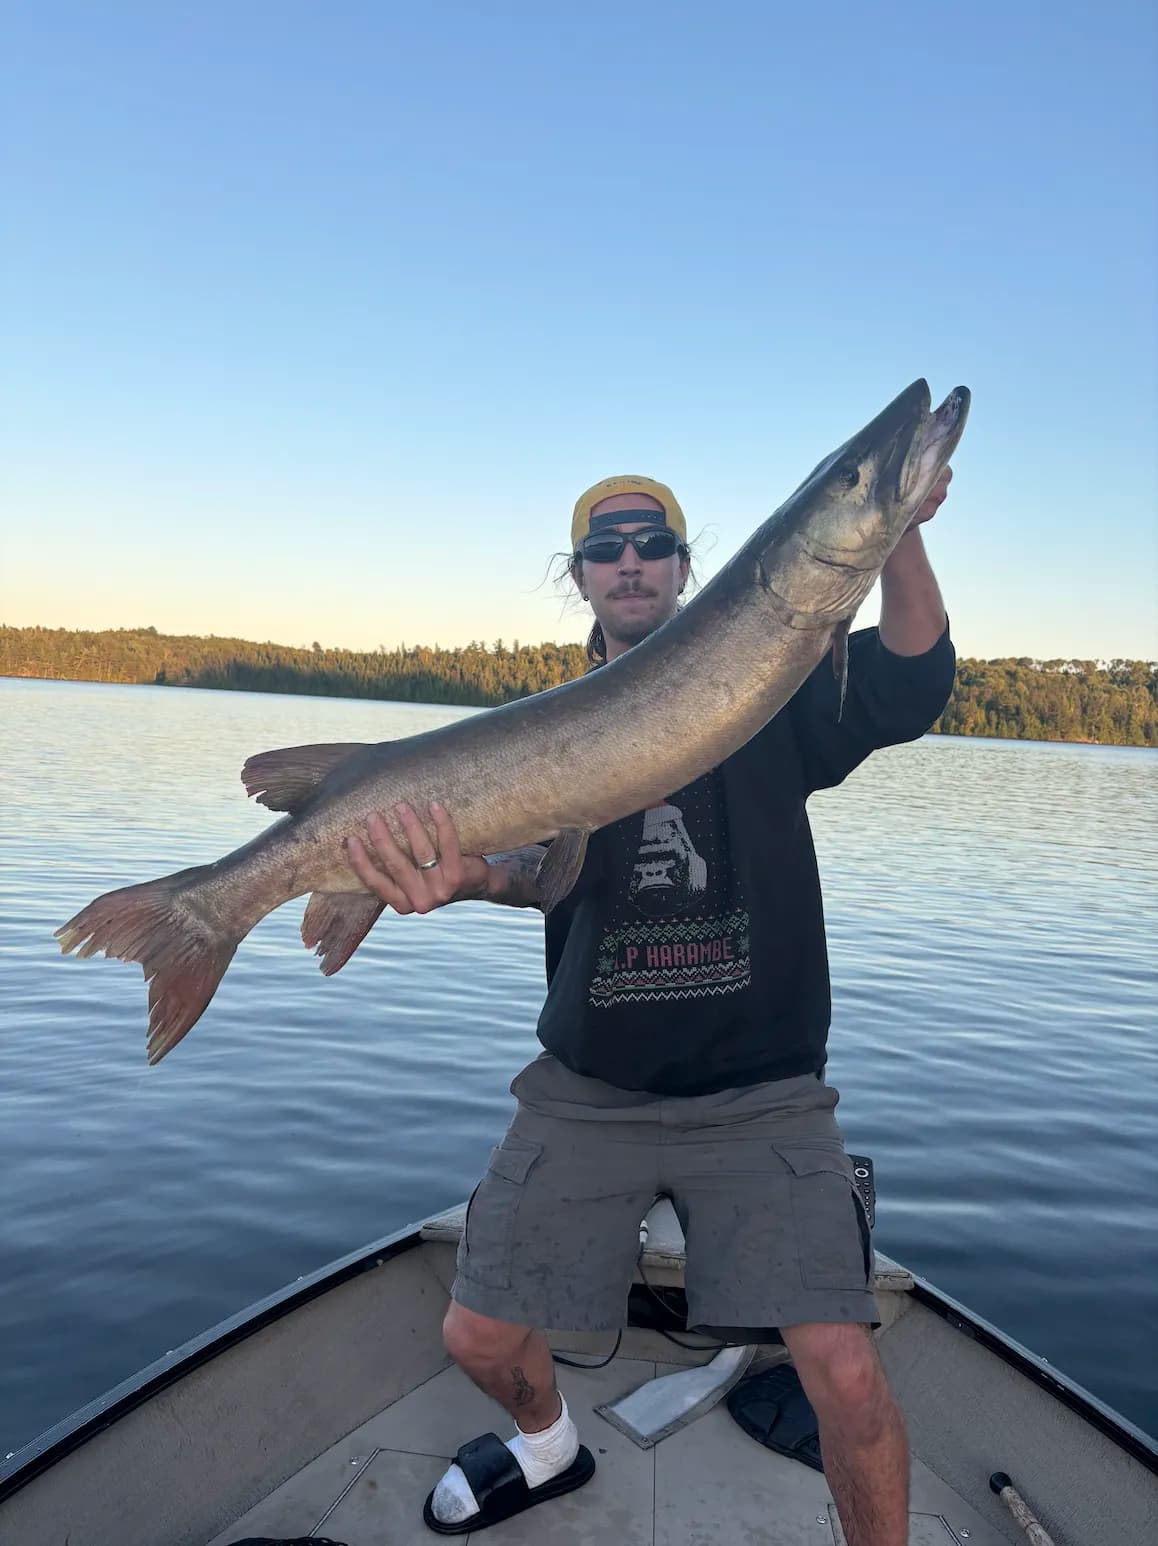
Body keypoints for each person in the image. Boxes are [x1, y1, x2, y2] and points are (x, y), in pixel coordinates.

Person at [346, 468, 956, 1545]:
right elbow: (535, 870)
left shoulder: (775, 685)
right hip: (591, 1086)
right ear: (580, 575)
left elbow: (910, 682)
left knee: (848, 1372)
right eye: (606, 545)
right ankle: (549, 1448)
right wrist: (461, 877)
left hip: (763, 1094)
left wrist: (893, 530)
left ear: (684, 565)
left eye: (653, 541)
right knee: (479, 1334)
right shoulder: (546, 733)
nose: (630, 558)